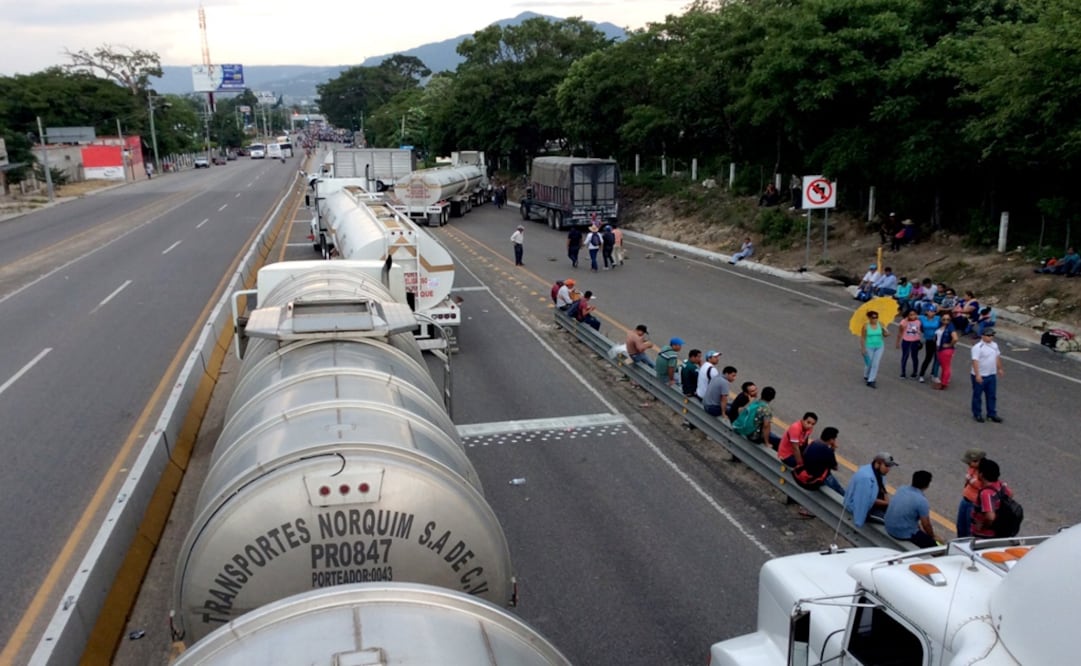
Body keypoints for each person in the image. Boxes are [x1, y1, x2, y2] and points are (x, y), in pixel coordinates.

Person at [843, 452, 898, 528]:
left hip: (872, 504)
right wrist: (859, 521)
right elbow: (865, 501)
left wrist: (888, 503)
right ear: (878, 463)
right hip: (859, 507)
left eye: (890, 466)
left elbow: (883, 491)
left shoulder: (880, 474)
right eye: (886, 466)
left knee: (896, 514)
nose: (888, 469)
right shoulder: (866, 479)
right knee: (892, 523)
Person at [885, 470, 938, 548]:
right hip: (901, 533)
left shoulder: (901, 489)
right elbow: (926, 524)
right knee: (933, 545)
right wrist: (932, 536)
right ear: (927, 485)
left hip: (888, 526)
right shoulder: (922, 501)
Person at [794, 427, 845, 496]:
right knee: (838, 489)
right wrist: (832, 449)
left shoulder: (813, 443)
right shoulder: (828, 451)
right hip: (813, 481)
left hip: (803, 476)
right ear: (831, 440)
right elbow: (835, 467)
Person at [971, 458, 1013, 538]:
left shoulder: (986, 493)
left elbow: (990, 517)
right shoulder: (1000, 485)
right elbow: (1010, 494)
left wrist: (983, 526)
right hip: (998, 532)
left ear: (981, 475)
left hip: (984, 536)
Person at [970, 328, 1004, 423]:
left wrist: (1000, 368)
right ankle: (977, 413)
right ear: (983, 336)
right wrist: (977, 375)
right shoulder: (977, 347)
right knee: (977, 396)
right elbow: (975, 361)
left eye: (992, 335)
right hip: (981, 375)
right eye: (988, 335)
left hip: (991, 374)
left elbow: (997, 357)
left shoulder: (994, 345)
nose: (990, 337)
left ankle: (991, 414)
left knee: (991, 395)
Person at [956, 448, 986, 538]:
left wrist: (972, 481)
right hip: (966, 500)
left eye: (970, 462)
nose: (968, 465)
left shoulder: (984, 473)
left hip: (974, 504)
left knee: (970, 530)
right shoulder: (972, 469)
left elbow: (983, 487)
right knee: (961, 526)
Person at [860, 310, 889, 388]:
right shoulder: (865, 326)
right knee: (869, 363)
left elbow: (884, 334)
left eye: (876, 317)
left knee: (875, 363)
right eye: (873, 317)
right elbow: (862, 338)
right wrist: (863, 348)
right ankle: (866, 375)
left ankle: (871, 380)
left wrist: (886, 333)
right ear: (869, 318)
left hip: (879, 346)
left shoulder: (881, 324)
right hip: (869, 346)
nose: (875, 319)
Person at [932, 312, 959, 390]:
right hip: (940, 349)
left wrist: (949, 345)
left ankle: (943, 384)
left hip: (946, 350)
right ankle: (943, 381)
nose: (946, 321)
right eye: (944, 319)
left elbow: (955, 338)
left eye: (948, 319)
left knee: (946, 367)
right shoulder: (941, 325)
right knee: (944, 366)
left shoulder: (950, 327)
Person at [895, 309, 923, 379]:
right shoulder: (904, 322)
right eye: (911, 315)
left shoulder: (918, 321)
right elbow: (900, 333)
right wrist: (897, 342)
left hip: (915, 341)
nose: (913, 316)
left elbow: (920, 330)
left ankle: (915, 372)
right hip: (906, 341)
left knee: (915, 357)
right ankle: (903, 372)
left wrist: (919, 333)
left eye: (914, 314)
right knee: (905, 356)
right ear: (907, 315)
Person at [917, 305, 940, 382]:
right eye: (929, 311)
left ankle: (933, 373)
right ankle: (921, 374)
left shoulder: (938, 318)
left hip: (937, 340)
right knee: (928, 358)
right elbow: (911, 317)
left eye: (933, 311)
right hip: (928, 340)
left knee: (937, 358)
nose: (931, 313)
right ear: (926, 312)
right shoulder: (922, 318)